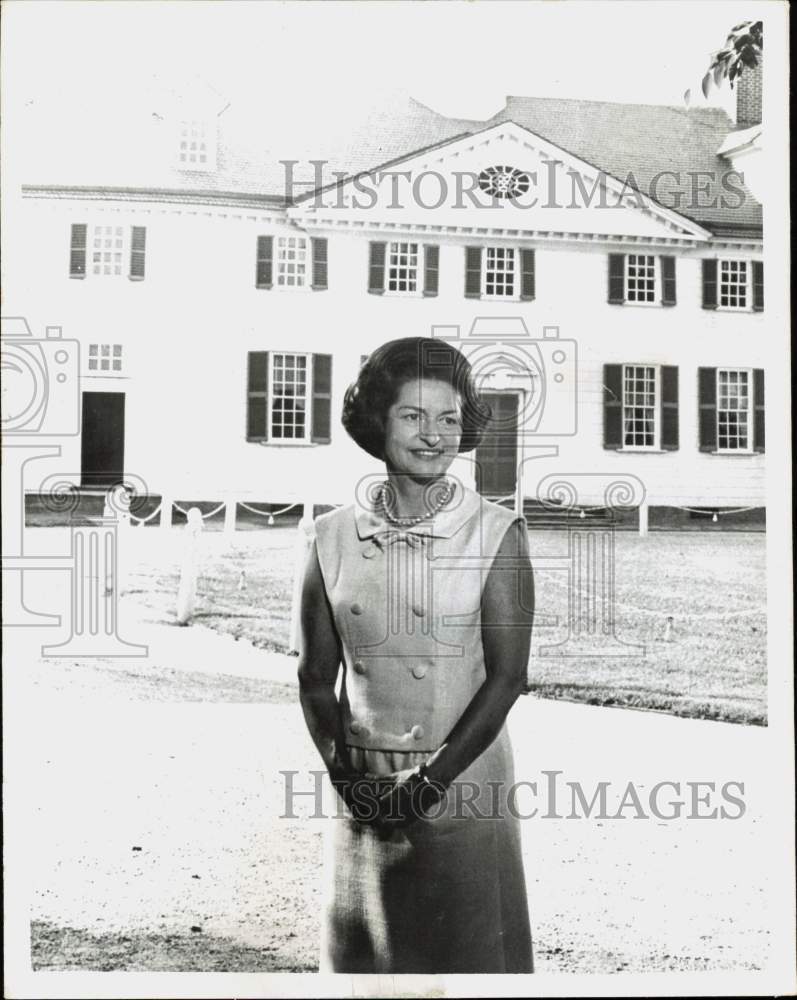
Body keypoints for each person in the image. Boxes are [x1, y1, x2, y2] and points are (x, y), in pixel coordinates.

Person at [297, 336, 534, 974]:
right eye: (413, 416)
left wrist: (430, 783)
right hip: (364, 787)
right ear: (379, 422)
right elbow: (315, 678)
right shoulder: (328, 536)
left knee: (464, 963)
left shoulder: (497, 533)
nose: (433, 436)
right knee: (367, 968)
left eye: (449, 418)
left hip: (462, 778)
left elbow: (508, 677)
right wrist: (347, 778)